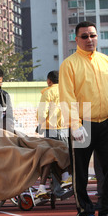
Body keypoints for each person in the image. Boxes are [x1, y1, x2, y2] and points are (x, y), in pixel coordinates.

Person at [59, 21, 108, 216]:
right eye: (85, 36)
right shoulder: (69, 64)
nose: (89, 40)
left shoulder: (107, 62)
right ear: (76, 39)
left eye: (93, 35)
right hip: (83, 122)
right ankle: (84, 210)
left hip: (106, 121)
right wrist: (75, 124)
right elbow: (67, 96)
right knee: (80, 170)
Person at [36, 70, 71, 198]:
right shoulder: (67, 91)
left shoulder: (48, 92)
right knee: (63, 157)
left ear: (49, 81)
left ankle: (46, 187)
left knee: (50, 158)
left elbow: (42, 113)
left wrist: (40, 124)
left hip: (51, 129)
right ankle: (61, 186)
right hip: (66, 129)